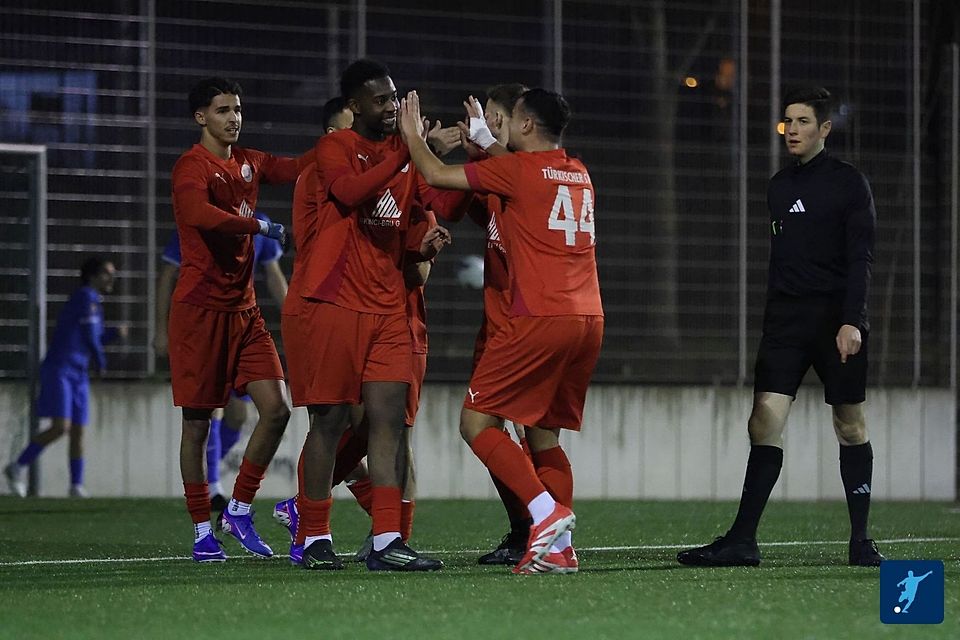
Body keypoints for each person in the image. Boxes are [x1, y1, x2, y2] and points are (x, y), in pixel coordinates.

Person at [399, 87, 604, 574]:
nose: (503, 128)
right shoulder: (577, 172)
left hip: (538, 317)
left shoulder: (516, 171)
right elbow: (509, 167)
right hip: (588, 318)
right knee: (543, 436)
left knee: (476, 423)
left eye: (508, 120)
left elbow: (433, 174)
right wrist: (486, 141)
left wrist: (413, 135)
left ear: (526, 125)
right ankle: (560, 549)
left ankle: (545, 513)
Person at [677, 87, 883, 568]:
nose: (791, 130)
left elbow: (861, 258)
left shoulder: (850, 184)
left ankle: (860, 540)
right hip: (787, 323)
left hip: (837, 323)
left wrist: (853, 320)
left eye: (803, 122)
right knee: (763, 421)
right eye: (787, 121)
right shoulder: (778, 185)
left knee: (849, 426)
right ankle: (743, 540)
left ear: (824, 129)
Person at [292, 59, 458, 572]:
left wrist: (424, 238)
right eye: (381, 100)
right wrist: (410, 150)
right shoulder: (336, 147)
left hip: (388, 306)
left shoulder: (403, 154)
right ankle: (313, 535)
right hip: (335, 301)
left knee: (391, 421)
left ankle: (387, 540)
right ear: (355, 106)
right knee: (330, 421)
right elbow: (349, 193)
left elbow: (433, 205)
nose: (391, 106)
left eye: (394, 97)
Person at [169, 76, 309, 563]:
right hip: (200, 313)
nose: (234, 117)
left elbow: (297, 166)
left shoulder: (250, 161)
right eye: (223, 110)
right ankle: (201, 530)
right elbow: (199, 213)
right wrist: (259, 224)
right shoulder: (191, 166)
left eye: (238, 109)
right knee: (196, 425)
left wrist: (346, 146)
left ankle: (240, 507)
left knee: (277, 409)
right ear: (200, 117)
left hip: (244, 312)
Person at [154, 210, 287, 511]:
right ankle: (212, 488)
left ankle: (213, 481)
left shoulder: (257, 222)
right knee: (208, 414)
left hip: (240, 328)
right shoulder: (200, 218)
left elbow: (274, 275)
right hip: (202, 327)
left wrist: (296, 321)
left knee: (242, 416)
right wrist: (161, 330)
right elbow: (167, 276)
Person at [5, 257, 125, 498]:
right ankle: (17, 467)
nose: (111, 278)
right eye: (105, 273)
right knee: (61, 427)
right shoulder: (85, 297)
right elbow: (91, 337)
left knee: (79, 430)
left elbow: (94, 336)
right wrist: (101, 361)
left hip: (78, 372)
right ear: (91, 276)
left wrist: (112, 334)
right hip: (62, 368)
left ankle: (76, 486)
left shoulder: (93, 303)